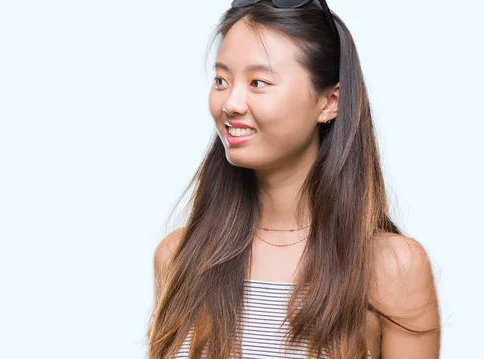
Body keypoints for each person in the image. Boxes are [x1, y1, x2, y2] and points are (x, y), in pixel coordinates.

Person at [146, 1, 442, 358]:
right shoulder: (178, 257)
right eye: (221, 80)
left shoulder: (391, 268)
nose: (231, 103)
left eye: (258, 82)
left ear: (329, 102)